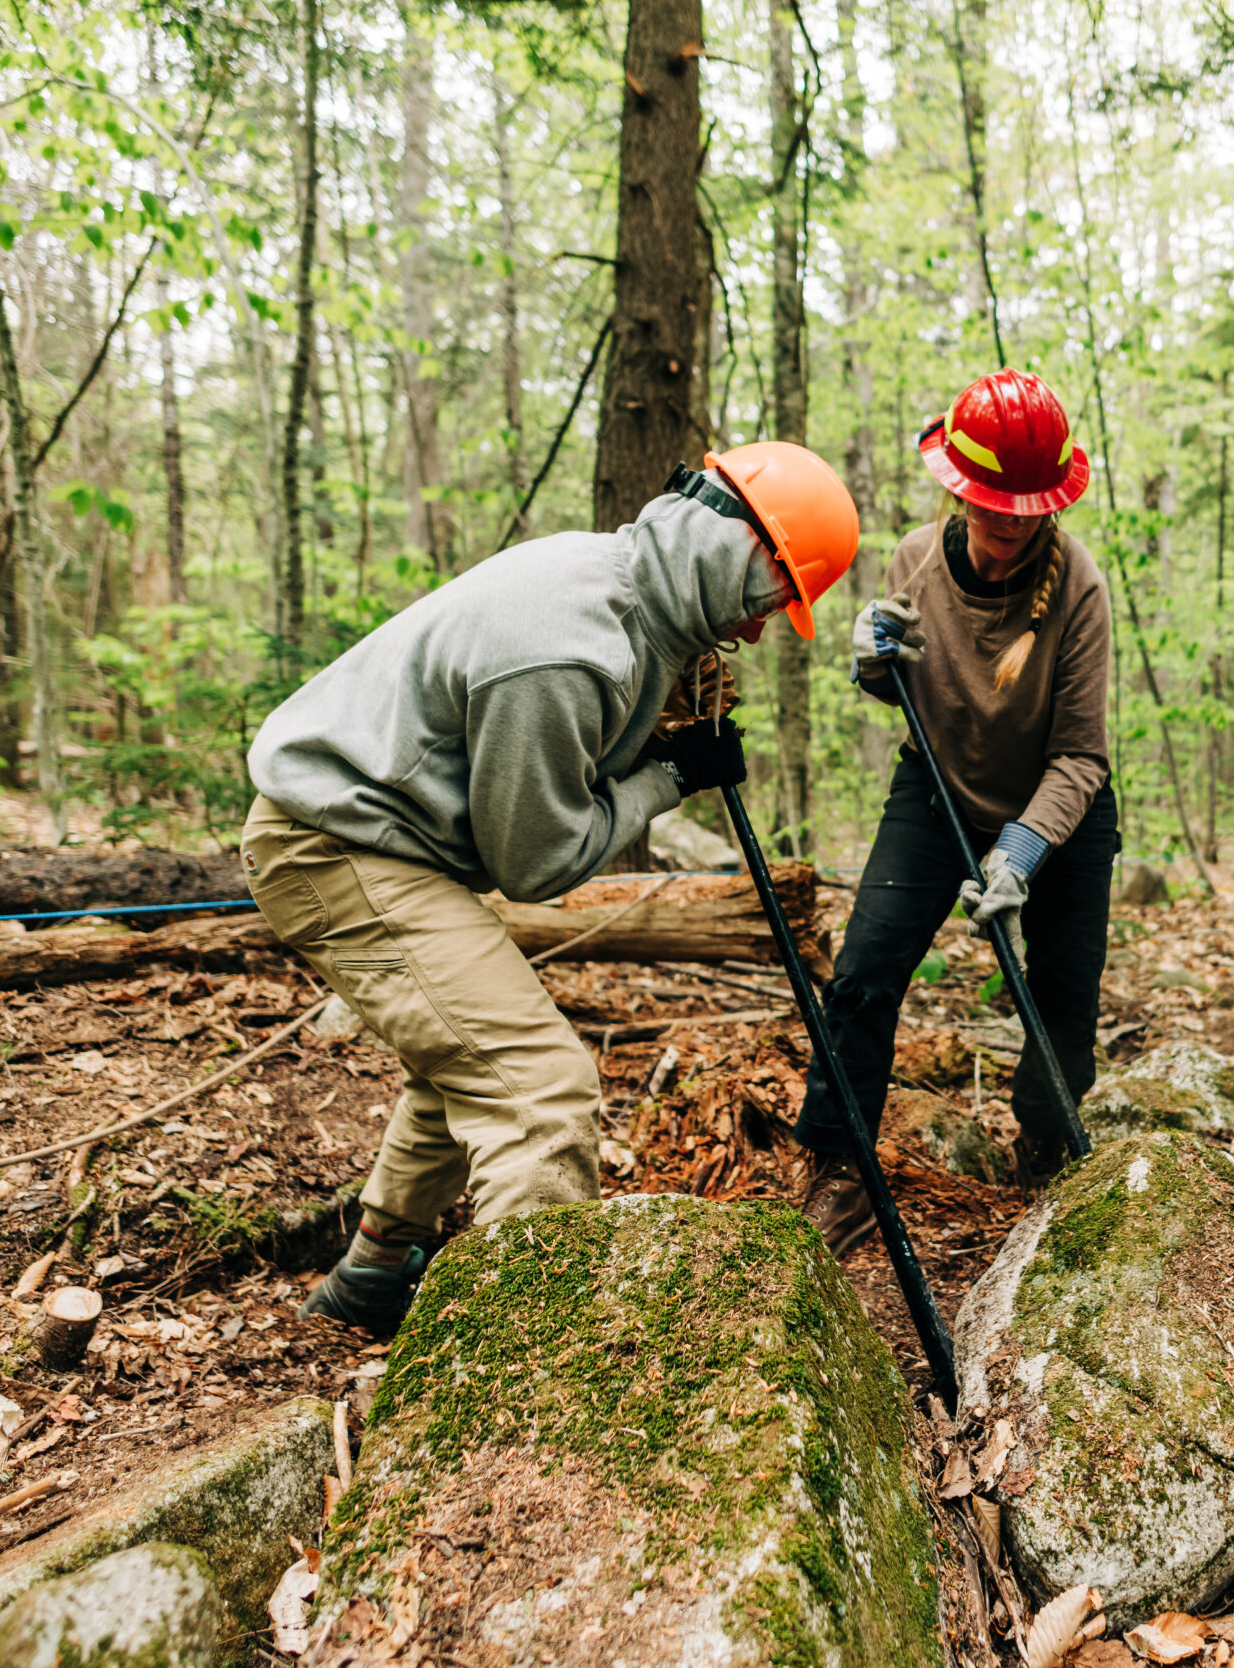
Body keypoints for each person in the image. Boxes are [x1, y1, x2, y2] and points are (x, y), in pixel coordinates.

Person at [243, 444, 859, 1336]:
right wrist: (666, 779)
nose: (761, 629)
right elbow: (534, 864)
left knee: (466, 1050)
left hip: (386, 842)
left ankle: (372, 1272)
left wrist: (661, 732)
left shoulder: (630, 598)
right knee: (539, 1093)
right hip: (334, 847)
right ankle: (524, 1387)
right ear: (738, 548)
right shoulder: (569, 645)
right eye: (771, 600)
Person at [793, 370, 1118, 1257]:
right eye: (991, 507)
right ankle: (839, 1163)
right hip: (934, 790)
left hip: (1059, 809)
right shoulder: (912, 559)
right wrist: (870, 664)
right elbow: (902, 689)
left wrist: (1019, 852)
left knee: (1060, 996)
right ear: (956, 488)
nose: (1009, 526)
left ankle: (1046, 1148)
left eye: (1026, 511)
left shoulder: (1080, 587)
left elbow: (1083, 754)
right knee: (862, 971)